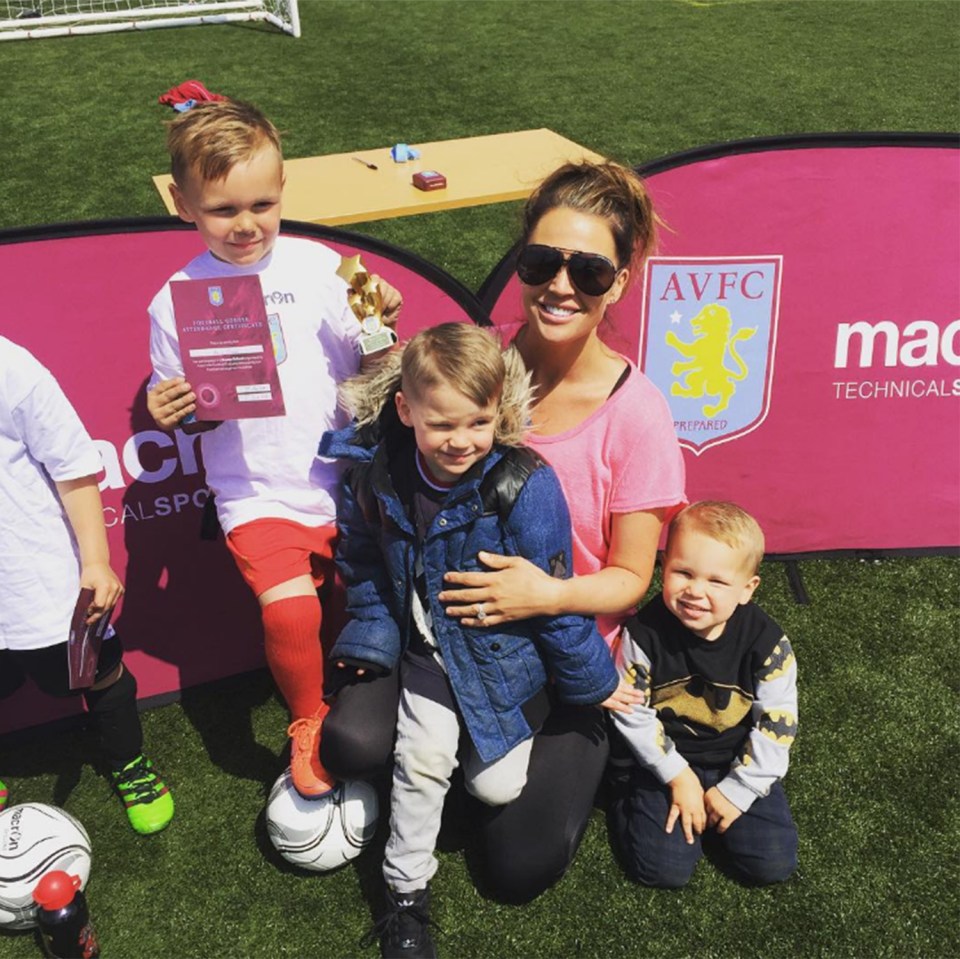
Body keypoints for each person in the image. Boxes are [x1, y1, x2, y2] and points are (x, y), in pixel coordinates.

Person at [320, 323, 631, 958]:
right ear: (406, 410)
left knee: (493, 787)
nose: (460, 441)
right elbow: (363, 560)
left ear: (500, 412)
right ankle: (405, 897)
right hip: (430, 659)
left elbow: (555, 592)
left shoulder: (524, 484)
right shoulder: (380, 473)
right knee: (421, 762)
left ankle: (500, 761)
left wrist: (596, 683)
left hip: (501, 661)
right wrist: (374, 640)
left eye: (478, 422)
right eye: (442, 425)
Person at [433, 160, 688, 901]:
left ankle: (581, 760)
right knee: (382, 748)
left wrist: (542, 595)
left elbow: (631, 579)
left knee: (516, 865)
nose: (561, 286)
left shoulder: (637, 413)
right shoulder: (484, 364)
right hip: (461, 626)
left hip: (574, 655)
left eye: (589, 270)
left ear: (622, 279)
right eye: (542, 261)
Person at [144, 98, 401, 798]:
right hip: (255, 489)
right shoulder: (175, 300)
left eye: (262, 202)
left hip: (345, 478)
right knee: (290, 610)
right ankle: (308, 718)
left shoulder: (323, 267)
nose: (247, 224)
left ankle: (383, 695)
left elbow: (377, 369)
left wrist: (381, 327)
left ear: (283, 189)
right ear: (182, 203)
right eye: (224, 209)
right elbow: (191, 413)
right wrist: (170, 411)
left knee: (364, 604)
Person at [0, 336, 174, 835]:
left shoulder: (11, 367)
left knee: (94, 673)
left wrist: (96, 563)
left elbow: (73, 468)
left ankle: (129, 763)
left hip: (36, 578)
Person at [611, 501, 799, 887]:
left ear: (748, 589)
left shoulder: (766, 642)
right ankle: (622, 797)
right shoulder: (643, 634)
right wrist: (677, 777)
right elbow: (630, 710)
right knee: (663, 871)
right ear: (664, 566)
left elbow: (777, 723)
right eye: (683, 572)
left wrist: (739, 789)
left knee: (772, 864)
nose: (695, 591)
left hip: (735, 757)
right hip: (664, 761)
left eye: (717, 581)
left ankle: (718, 811)